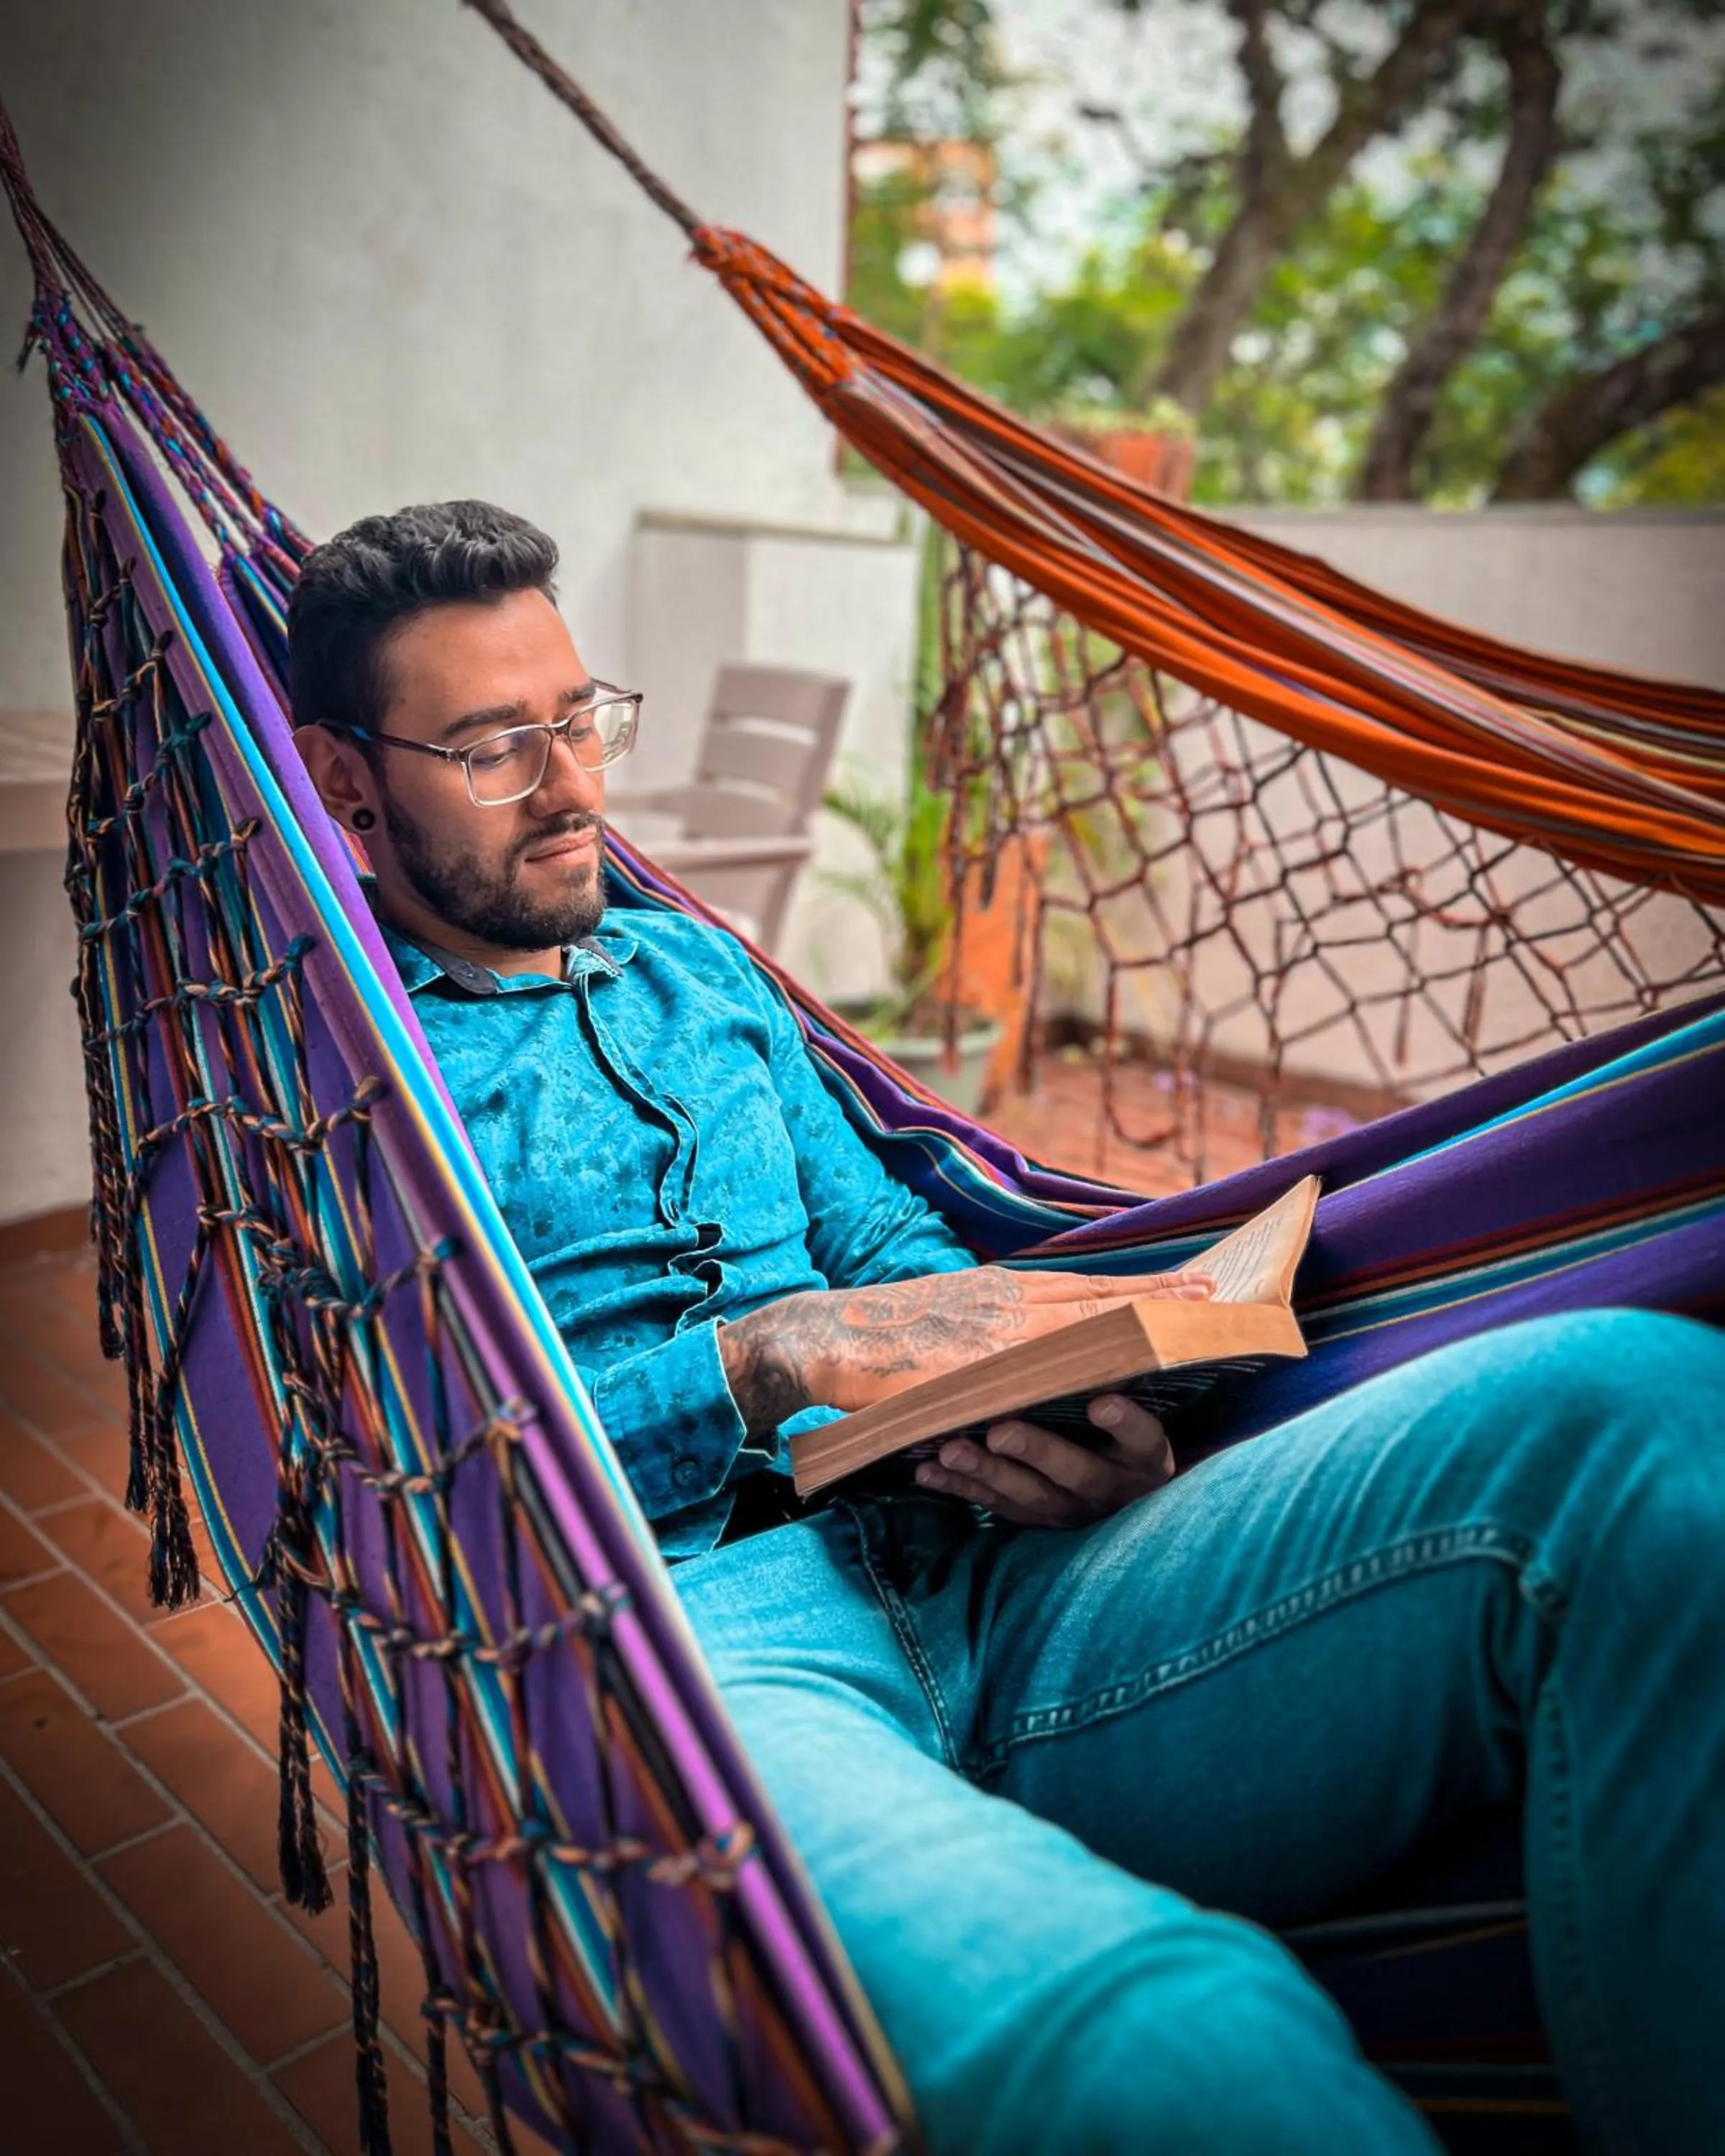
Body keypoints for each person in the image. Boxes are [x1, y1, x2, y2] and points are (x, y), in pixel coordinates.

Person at [292, 499, 1725, 2155]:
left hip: (1008, 1577)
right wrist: (753, 1367)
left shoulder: (705, 978)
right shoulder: (341, 1076)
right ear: (347, 783)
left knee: (1640, 1410)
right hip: (703, 1649)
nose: (570, 788)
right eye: (492, 749)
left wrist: (1044, 1396)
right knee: (1182, 2050)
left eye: (580, 719)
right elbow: (390, 1476)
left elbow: (890, 1245)